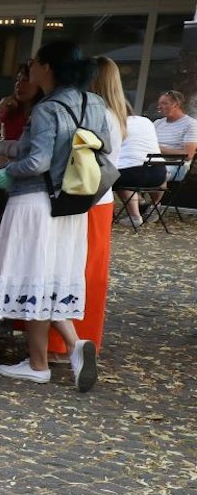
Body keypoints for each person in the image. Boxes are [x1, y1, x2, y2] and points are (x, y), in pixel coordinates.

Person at [0, 39, 108, 391]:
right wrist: (10, 146)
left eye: (33, 62)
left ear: (48, 67)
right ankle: (73, 345)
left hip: (35, 201)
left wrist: (5, 166)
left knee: (34, 278)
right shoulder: (94, 102)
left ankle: (38, 364)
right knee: (49, 279)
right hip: (72, 202)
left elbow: (38, 161)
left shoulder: (47, 108)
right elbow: (98, 147)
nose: (29, 68)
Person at [58, 56, 128, 361]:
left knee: (74, 268)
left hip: (84, 197)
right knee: (91, 271)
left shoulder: (97, 113)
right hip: (103, 198)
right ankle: (82, 336)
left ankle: (65, 341)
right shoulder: (115, 115)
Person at [111, 77, 165, 225]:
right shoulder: (146, 121)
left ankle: (134, 215)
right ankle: (153, 206)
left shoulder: (116, 122)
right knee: (158, 168)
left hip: (130, 175)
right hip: (158, 176)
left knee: (118, 174)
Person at [154, 90, 196, 178]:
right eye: (159, 104)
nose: (159, 107)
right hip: (152, 162)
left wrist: (158, 149)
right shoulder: (157, 123)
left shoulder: (191, 124)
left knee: (152, 174)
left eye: (164, 103)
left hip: (177, 166)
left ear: (176, 105)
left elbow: (188, 155)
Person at [0, 64, 40, 142]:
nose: (18, 84)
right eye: (18, 80)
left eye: (25, 80)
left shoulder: (41, 116)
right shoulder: (9, 111)